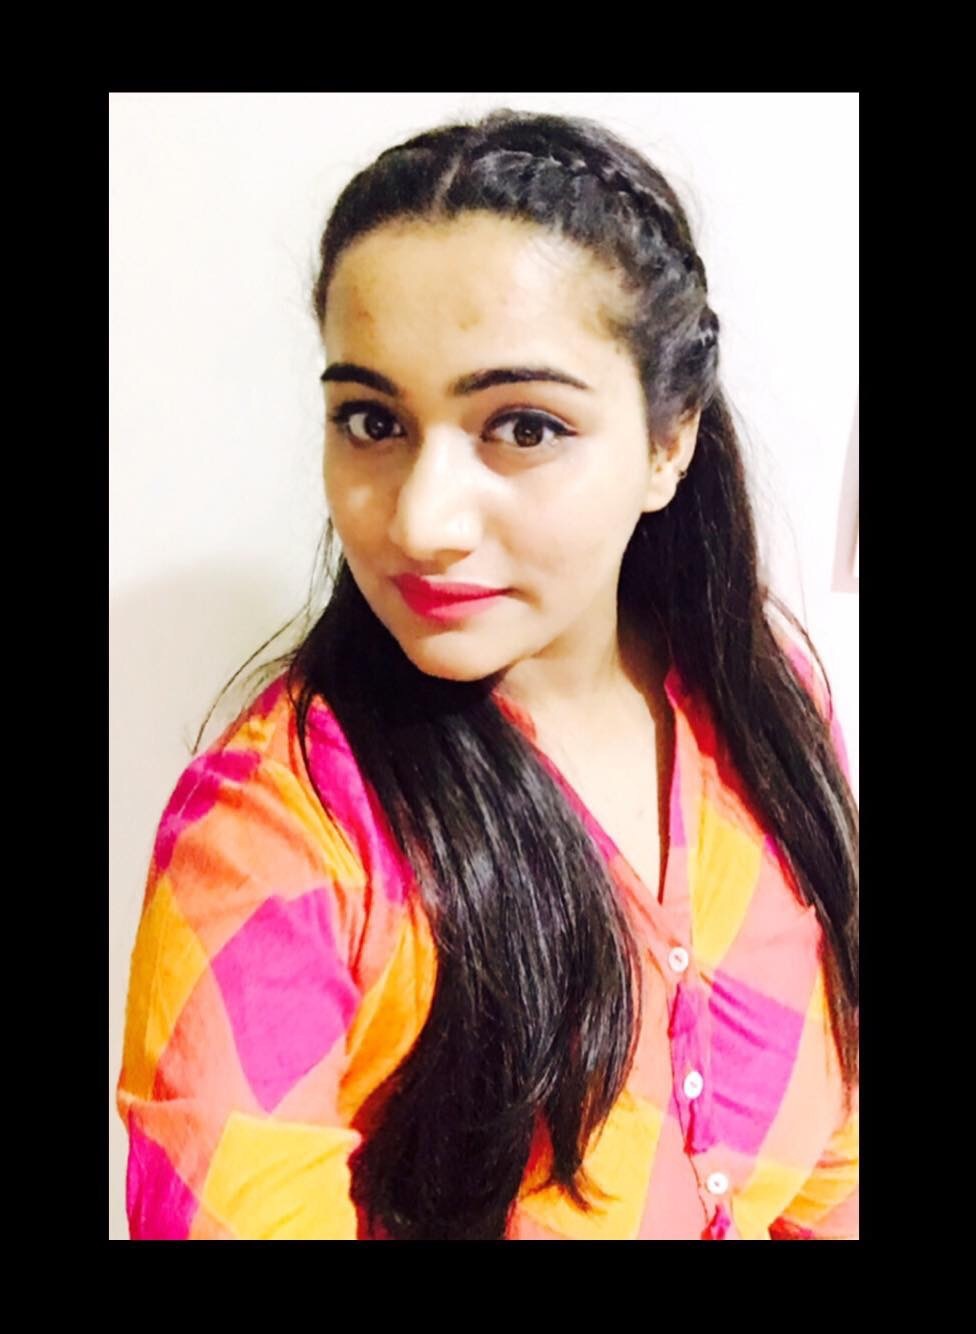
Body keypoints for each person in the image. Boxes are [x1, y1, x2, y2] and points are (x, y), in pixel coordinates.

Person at [115, 108, 858, 1241]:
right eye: (373, 421)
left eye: (523, 426)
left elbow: (833, 1153)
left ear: (668, 442)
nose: (423, 522)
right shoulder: (278, 841)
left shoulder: (763, 707)